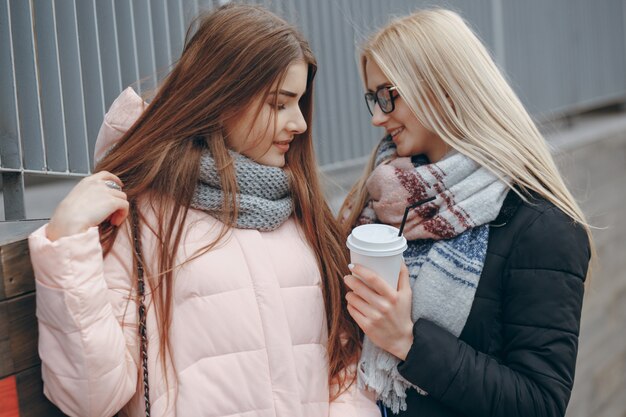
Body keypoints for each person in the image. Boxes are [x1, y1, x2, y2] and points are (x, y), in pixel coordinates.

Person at [28, 4, 379, 417]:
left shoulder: (303, 212)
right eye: (279, 103)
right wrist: (68, 241)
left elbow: (343, 367)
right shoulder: (144, 217)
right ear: (221, 96)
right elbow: (91, 398)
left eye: (299, 103)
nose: (299, 123)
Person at [339, 8, 593, 417]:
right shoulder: (378, 201)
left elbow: (540, 404)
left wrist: (408, 343)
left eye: (388, 95)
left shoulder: (541, 226)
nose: (376, 117)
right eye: (372, 98)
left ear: (440, 86)